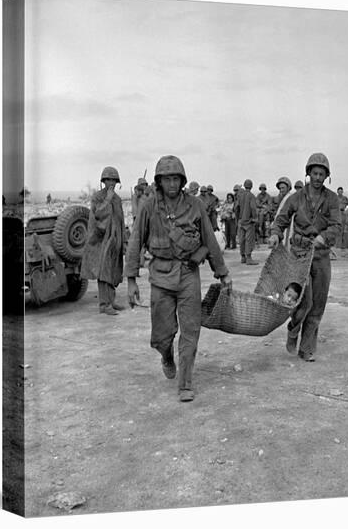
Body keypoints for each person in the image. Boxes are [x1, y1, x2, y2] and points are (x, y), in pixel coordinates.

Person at [125, 155, 232, 402]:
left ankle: (185, 383)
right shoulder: (149, 207)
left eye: (176, 179)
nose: (171, 184)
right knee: (163, 335)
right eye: (166, 179)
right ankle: (166, 355)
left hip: (187, 275)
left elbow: (209, 239)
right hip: (160, 277)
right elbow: (135, 242)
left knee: (190, 330)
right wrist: (131, 280)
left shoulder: (194, 205)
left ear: (182, 180)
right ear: (159, 181)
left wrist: (222, 272)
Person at [269, 153, 340, 362]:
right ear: (308, 174)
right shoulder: (296, 198)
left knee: (318, 304)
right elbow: (281, 219)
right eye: (314, 173)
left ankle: (307, 347)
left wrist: (324, 237)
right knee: (301, 301)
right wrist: (275, 234)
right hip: (298, 255)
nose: (318, 177)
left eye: (322, 174)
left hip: (320, 256)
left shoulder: (332, 199)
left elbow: (337, 225)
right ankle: (293, 328)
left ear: (327, 176)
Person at [81, 166, 126, 315]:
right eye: (108, 180)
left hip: (115, 240)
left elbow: (120, 220)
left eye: (114, 180)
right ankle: (104, 304)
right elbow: (98, 215)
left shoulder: (118, 199)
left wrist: (123, 240)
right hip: (101, 241)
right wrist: (107, 199)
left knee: (113, 271)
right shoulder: (98, 197)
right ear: (103, 181)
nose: (111, 182)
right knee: (103, 272)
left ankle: (111, 301)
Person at [236, 179, 259, 265]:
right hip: (249, 221)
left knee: (241, 239)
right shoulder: (251, 196)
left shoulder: (240, 195)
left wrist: (239, 218)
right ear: (251, 186)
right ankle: (248, 258)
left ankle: (242, 257)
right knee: (249, 240)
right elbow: (253, 208)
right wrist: (255, 218)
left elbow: (236, 207)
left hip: (241, 221)